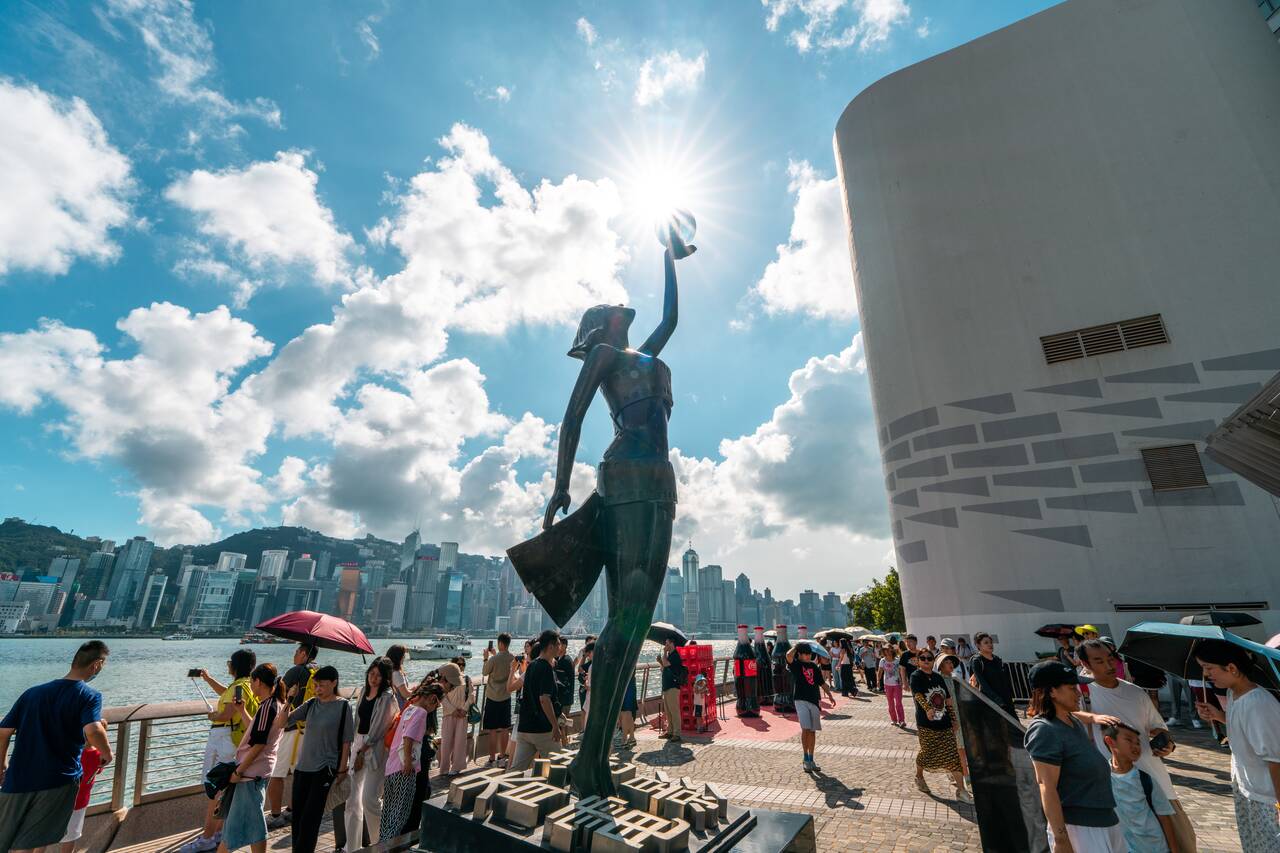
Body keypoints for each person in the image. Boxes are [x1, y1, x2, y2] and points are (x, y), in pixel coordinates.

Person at [1075, 639, 1194, 851]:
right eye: (1099, 661)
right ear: (1085, 664)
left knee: (1181, 841)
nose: (1109, 665)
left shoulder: (1135, 692)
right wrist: (1093, 718)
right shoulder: (1082, 693)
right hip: (1115, 788)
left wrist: (1166, 743)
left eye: (1110, 659)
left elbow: (1158, 727)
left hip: (1153, 778)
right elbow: (1064, 713)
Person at [0, 640, 111, 853]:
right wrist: (107, 752)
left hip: (18, 778)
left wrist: (2, 765)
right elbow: (93, 730)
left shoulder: (32, 693)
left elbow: (3, 733)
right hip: (58, 780)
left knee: (8, 839)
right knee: (33, 841)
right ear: (96, 665)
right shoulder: (89, 695)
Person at [1025, 660, 1124, 852]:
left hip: (1106, 821)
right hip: (1080, 829)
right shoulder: (1044, 730)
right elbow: (1046, 787)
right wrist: (1061, 840)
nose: (1079, 693)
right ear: (1051, 692)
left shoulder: (1071, 720)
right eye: (1072, 688)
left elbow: (1079, 715)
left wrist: (1093, 718)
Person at [1193, 639, 1280, 851]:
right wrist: (1219, 716)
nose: (1205, 674)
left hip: (1267, 798)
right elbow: (1245, 731)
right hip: (1247, 788)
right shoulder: (1234, 692)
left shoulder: (1257, 703)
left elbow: (1276, 759)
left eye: (1208, 668)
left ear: (1231, 668)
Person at [184, 649, 259, 853]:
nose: (228, 665)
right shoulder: (246, 685)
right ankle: (218, 833)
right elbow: (226, 693)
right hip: (235, 739)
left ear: (234, 665)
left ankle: (207, 838)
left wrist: (212, 716)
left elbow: (226, 713)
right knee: (224, 788)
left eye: (229, 662)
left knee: (214, 787)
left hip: (224, 739)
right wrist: (208, 679)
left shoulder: (238, 687)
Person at [218, 663, 288, 853]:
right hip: (260, 771)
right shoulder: (274, 704)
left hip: (251, 772)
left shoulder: (267, 707)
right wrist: (242, 711)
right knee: (254, 824)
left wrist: (238, 772)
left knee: (234, 829)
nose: (250, 685)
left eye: (251, 681)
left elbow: (259, 744)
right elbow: (258, 732)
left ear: (259, 682)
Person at [287, 665, 353, 853]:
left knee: (311, 818)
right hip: (303, 768)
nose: (317, 690)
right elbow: (284, 721)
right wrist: (289, 699)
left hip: (325, 768)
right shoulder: (311, 704)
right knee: (298, 818)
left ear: (334, 683)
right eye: (315, 685)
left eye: (322, 685)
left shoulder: (343, 706)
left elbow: (347, 740)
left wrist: (342, 769)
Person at [1100, 722, 1180, 853]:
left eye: (1138, 743)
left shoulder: (1146, 780)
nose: (1136, 746)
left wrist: (1174, 850)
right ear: (1110, 741)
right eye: (1128, 740)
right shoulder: (1101, 778)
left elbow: (1164, 817)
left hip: (1155, 847)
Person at [379, 681, 443, 841]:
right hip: (404, 768)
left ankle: (382, 843)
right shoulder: (421, 713)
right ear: (433, 698)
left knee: (388, 812)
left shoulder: (409, 708)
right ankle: (388, 848)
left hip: (391, 766)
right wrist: (408, 762)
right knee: (399, 816)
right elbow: (409, 738)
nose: (435, 708)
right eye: (438, 704)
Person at [344, 657, 396, 850]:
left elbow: (380, 728)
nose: (373, 679)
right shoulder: (363, 692)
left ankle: (380, 843)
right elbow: (357, 722)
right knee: (351, 799)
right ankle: (352, 846)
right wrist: (354, 749)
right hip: (358, 744)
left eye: (378, 676)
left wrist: (361, 751)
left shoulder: (387, 698)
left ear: (386, 678)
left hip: (375, 750)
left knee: (370, 799)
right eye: (371, 674)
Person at [909, 648, 971, 803]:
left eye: (929, 658)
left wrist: (954, 719)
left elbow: (948, 700)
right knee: (927, 753)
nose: (926, 660)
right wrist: (928, 708)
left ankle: (961, 791)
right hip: (926, 723)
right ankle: (919, 776)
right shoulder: (916, 676)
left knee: (953, 756)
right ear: (918, 661)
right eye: (923, 658)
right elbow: (918, 695)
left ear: (933, 661)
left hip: (944, 722)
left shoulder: (938, 677)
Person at [267, 643, 318, 830]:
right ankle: (292, 809)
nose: (294, 654)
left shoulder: (295, 671)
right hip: (308, 730)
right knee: (299, 773)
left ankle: (275, 815)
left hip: (290, 729)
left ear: (304, 653)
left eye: (296, 651)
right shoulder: (317, 672)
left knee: (276, 773)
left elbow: (277, 696)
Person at [511, 630, 567, 771]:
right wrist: (555, 726)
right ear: (551, 647)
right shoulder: (546, 668)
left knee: (517, 769)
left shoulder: (532, 665)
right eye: (558, 645)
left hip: (525, 726)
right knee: (558, 766)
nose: (560, 648)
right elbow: (544, 699)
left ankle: (506, 784)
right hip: (542, 729)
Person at [787, 642, 834, 771]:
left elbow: (822, 683)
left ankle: (811, 759)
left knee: (812, 731)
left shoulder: (814, 666)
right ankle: (805, 758)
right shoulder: (796, 665)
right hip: (800, 700)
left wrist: (830, 695)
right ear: (800, 654)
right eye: (805, 654)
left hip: (814, 700)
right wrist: (797, 646)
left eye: (809, 654)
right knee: (805, 728)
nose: (808, 656)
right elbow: (788, 656)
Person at [56, 728, 104, 853]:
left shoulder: (71, 752)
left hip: (61, 799)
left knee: (45, 836)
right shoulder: (98, 755)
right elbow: (99, 769)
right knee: (71, 836)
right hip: (80, 802)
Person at [481, 633, 515, 766]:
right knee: (505, 729)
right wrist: (494, 655)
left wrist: (486, 658)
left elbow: (485, 672)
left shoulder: (493, 659)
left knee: (493, 730)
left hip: (492, 697)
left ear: (500, 643)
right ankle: (502, 757)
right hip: (506, 696)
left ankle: (491, 759)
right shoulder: (512, 658)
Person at [968, 631, 1016, 718]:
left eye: (991, 642)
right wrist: (997, 699)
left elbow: (1005, 680)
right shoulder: (977, 661)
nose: (990, 644)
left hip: (1006, 699)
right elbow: (983, 683)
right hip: (991, 701)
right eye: (986, 643)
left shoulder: (997, 659)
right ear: (978, 645)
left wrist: (1010, 696)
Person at [437, 662, 470, 777]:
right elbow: (442, 697)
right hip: (448, 714)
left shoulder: (467, 679)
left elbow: (471, 695)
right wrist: (452, 710)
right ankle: (444, 768)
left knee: (460, 742)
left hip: (462, 715)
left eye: (462, 663)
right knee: (446, 742)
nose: (461, 665)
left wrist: (465, 709)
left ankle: (457, 766)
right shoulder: (446, 681)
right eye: (458, 663)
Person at [658, 637, 686, 743]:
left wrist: (664, 654)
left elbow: (666, 664)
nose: (665, 646)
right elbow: (664, 668)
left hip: (673, 687)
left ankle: (677, 733)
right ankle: (670, 731)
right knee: (668, 711)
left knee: (674, 711)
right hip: (666, 686)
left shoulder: (675, 655)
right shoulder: (670, 656)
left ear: (672, 644)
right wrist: (660, 661)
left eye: (667, 643)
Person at [880, 645, 905, 726]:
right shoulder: (882, 661)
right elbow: (880, 671)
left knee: (898, 703)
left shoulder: (898, 660)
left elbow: (902, 671)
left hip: (897, 684)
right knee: (890, 703)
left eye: (888, 649)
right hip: (887, 684)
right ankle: (894, 719)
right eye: (885, 650)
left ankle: (901, 720)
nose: (887, 651)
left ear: (892, 650)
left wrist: (904, 682)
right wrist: (878, 681)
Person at [554, 638, 576, 720]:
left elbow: (564, 681)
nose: (557, 646)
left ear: (564, 646)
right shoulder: (559, 659)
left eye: (559, 644)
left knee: (562, 723)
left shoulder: (566, 661)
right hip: (561, 699)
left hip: (565, 700)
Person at [618, 677, 638, 750]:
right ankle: (631, 738)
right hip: (629, 684)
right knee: (629, 713)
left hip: (625, 685)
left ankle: (624, 740)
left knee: (625, 712)